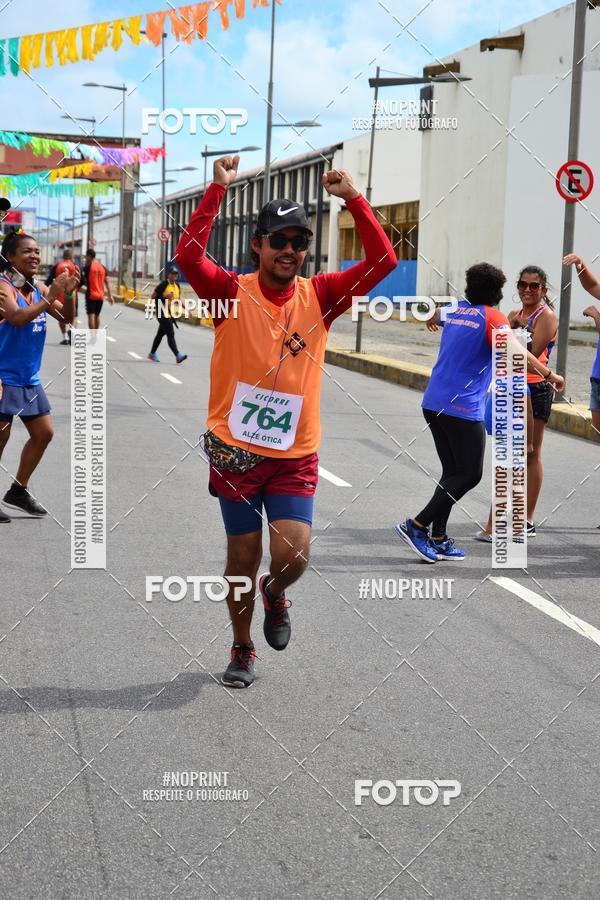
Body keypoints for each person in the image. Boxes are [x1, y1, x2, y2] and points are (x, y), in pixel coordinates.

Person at [176, 154, 396, 687]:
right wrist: (217, 188)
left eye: (299, 241)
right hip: (237, 452)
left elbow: (383, 262)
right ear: (258, 245)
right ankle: (242, 646)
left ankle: (276, 594)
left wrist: (354, 199)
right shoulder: (230, 293)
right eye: (279, 240)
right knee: (242, 556)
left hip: (295, 453)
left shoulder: (321, 294)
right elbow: (187, 256)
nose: (291, 251)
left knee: (292, 555)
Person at [395, 263, 564, 563]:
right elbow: (518, 354)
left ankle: (438, 537)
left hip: (433, 403)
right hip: (462, 408)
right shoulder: (493, 317)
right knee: (470, 474)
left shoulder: (456, 310)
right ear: (497, 292)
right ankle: (417, 525)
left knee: (452, 472)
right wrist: (550, 375)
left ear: (469, 287)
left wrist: (433, 317)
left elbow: (433, 315)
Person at [0, 232, 79, 523]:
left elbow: (65, 318)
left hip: (27, 378)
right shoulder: (4, 286)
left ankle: (17, 490)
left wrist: (68, 294)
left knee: (44, 433)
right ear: (10, 257)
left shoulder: (38, 288)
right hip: (2, 375)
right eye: (26, 252)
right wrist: (49, 297)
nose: (34, 256)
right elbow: (18, 317)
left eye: (36, 251)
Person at [507, 266, 557, 536]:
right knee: (513, 453)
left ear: (543, 290)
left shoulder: (546, 316)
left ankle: (527, 517)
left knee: (532, 453)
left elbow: (532, 355)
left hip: (536, 389)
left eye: (534, 286)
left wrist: (512, 330)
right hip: (512, 388)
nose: (527, 290)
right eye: (523, 284)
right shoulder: (514, 315)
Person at [147, 268, 187, 364]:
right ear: (169, 275)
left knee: (160, 334)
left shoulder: (177, 286)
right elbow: (152, 296)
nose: (174, 276)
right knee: (170, 333)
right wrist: (165, 296)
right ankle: (177, 355)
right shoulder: (163, 284)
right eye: (173, 274)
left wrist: (186, 309)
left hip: (170, 314)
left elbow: (177, 300)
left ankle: (152, 353)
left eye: (176, 274)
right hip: (162, 312)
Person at [81, 248, 112, 329]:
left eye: (86, 256)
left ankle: (93, 336)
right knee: (97, 316)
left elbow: (82, 280)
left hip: (91, 295)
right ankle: (96, 335)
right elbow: (107, 282)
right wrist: (110, 295)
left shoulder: (87, 267)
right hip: (100, 296)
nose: (86, 258)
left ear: (89, 256)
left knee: (91, 316)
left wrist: (76, 288)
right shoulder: (102, 267)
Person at [54, 249, 77, 345]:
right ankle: (72, 331)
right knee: (74, 315)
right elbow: (81, 280)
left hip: (59, 294)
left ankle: (65, 337)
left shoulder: (57, 266)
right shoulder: (75, 266)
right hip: (72, 295)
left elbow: (50, 278)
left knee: (60, 315)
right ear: (71, 257)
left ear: (63, 257)